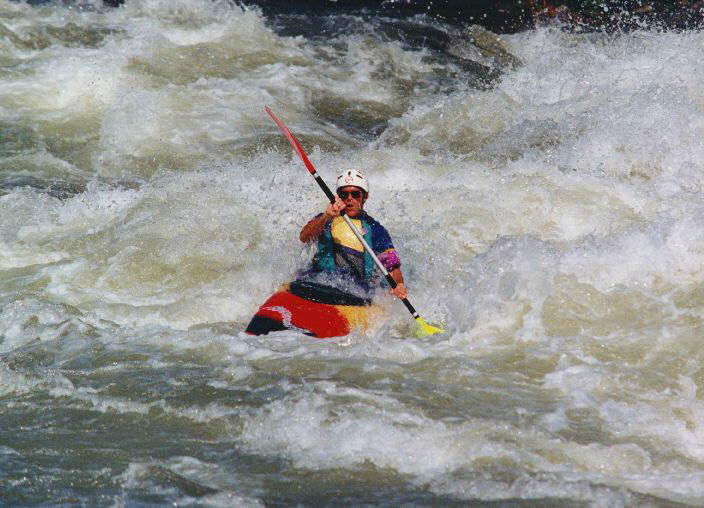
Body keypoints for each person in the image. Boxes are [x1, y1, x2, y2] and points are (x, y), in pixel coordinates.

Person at [299, 169, 408, 301]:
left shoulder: (376, 229)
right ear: (338, 197)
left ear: (364, 197)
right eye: (344, 194)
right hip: (317, 283)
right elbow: (304, 237)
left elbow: (392, 266)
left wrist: (399, 285)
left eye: (355, 194)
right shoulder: (326, 218)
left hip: (354, 294)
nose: (350, 198)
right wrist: (326, 217)